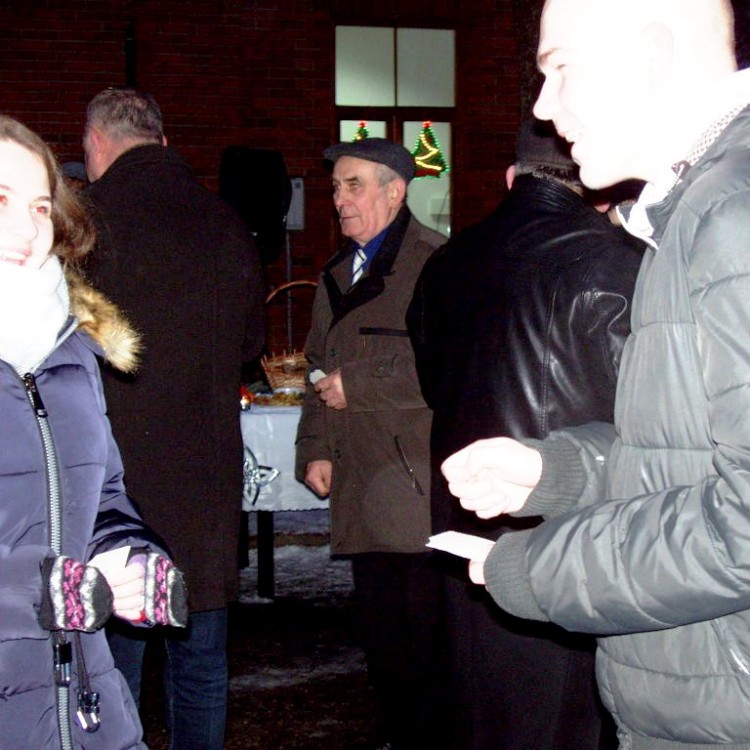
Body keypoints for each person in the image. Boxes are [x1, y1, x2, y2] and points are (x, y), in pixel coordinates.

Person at [440, 1, 750, 748]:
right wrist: (563, 473)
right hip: (749, 687)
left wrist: (543, 569)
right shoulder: (723, 200)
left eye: (561, 69)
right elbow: (725, 459)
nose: (544, 108)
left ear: (651, 53)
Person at [407, 115, 643, 750]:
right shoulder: (617, 264)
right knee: (566, 722)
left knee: (484, 715)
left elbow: (433, 382)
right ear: (600, 189)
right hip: (571, 536)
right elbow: (649, 418)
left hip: (464, 521)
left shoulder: (447, 261)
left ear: (512, 178)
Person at [81, 87, 266, 750]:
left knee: (115, 669)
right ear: (162, 142)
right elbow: (250, 345)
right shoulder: (224, 222)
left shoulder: (87, 226)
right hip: (203, 487)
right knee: (200, 666)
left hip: (114, 489)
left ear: (95, 145)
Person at [0, 114, 186, 750]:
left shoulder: (71, 347)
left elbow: (99, 494)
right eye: (1, 200)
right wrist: (42, 588)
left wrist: (127, 555)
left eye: (40, 206)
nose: (28, 228)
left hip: (82, 699)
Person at [294, 137, 447, 750]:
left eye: (354, 185)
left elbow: (447, 363)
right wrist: (314, 446)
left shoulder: (436, 263)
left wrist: (356, 385)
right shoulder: (337, 272)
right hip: (359, 482)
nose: (339, 199)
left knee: (424, 642)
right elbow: (314, 365)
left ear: (396, 191)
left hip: (411, 488)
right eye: (336, 187)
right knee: (382, 640)